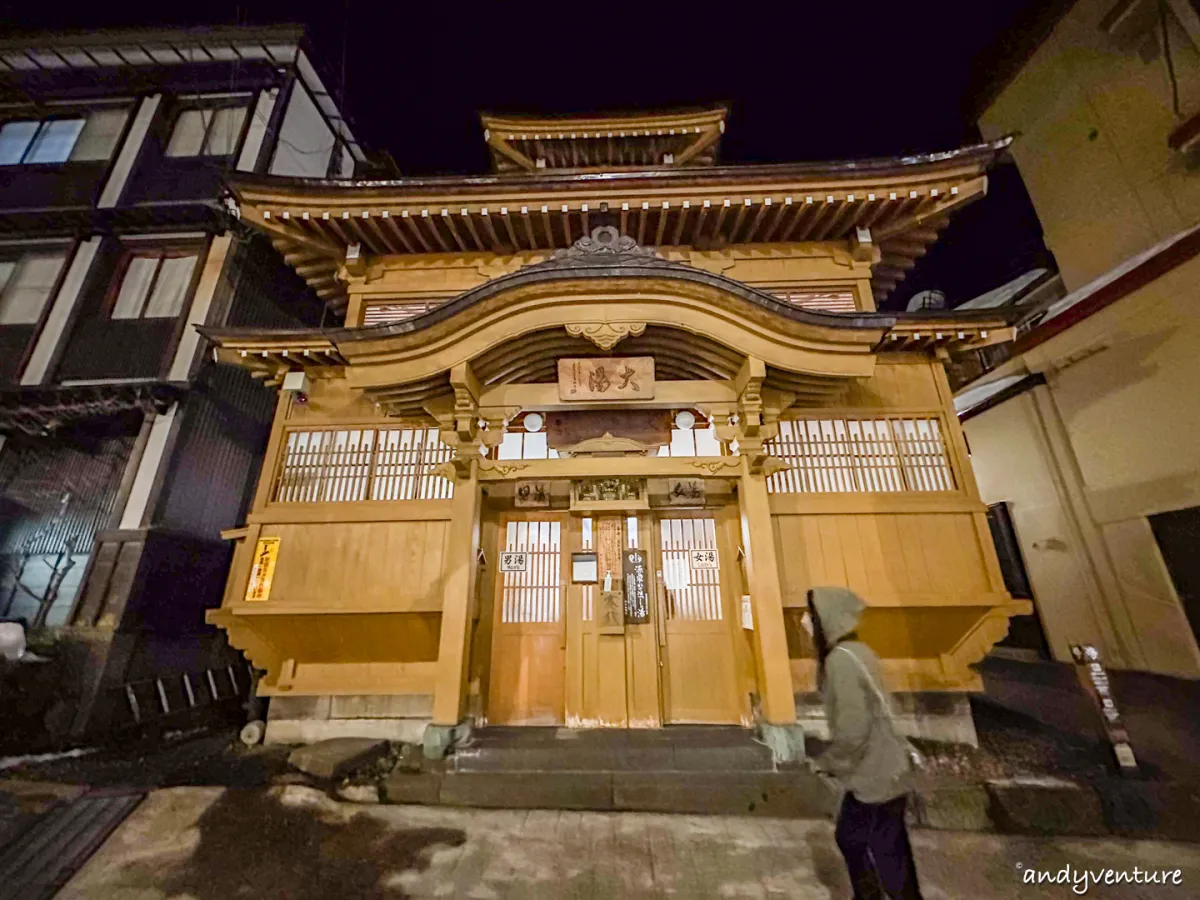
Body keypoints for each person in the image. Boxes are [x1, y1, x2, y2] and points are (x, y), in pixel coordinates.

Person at [805, 586, 924, 900]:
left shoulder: (840, 662)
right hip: (886, 765)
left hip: (875, 771)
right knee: (870, 841)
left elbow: (853, 729)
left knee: (875, 846)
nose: (804, 622)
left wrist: (827, 762)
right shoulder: (859, 652)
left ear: (825, 619)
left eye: (809, 615)